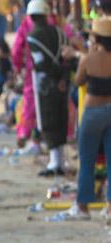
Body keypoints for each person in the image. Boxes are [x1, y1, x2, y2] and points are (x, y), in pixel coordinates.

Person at [64, 17, 111, 220]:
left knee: (87, 159)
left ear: (97, 37)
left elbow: (78, 80)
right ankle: (109, 207)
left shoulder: (88, 58)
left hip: (93, 111)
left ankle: (83, 207)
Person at [27, 1, 76, 178]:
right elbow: (68, 58)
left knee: (49, 121)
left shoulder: (33, 37)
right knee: (61, 118)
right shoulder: (60, 32)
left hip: (46, 85)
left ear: (32, 17)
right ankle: (59, 160)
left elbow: (41, 64)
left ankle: (55, 162)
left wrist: (57, 78)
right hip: (63, 83)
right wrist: (64, 79)